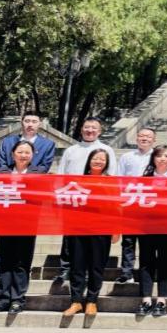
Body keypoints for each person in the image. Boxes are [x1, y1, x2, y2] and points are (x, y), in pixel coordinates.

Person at [55, 117, 117, 284]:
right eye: (87, 127)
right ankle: (66, 268)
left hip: (98, 203)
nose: (90, 130)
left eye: (94, 128)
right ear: (81, 129)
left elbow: (112, 177)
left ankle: (91, 270)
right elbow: (61, 175)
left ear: (100, 131)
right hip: (74, 199)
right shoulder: (71, 150)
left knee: (94, 240)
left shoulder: (106, 150)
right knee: (70, 238)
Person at [62, 149, 119, 317]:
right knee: (77, 265)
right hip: (78, 228)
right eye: (95, 158)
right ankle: (76, 301)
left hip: (101, 229)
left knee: (96, 266)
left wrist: (116, 229)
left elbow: (117, 207)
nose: (98, 161)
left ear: (107, 163)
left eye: (102, 159)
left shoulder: (111, 182)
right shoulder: (78, 181)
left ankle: (92, 301)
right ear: (89, 160)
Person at [0, 140, 41, 314]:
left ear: (32, 155)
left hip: (27, 224)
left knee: (22, 262)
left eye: (27, 152)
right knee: (4, 261)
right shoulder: (2, 173)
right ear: (12, 154)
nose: (23, 155)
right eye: (20, 152)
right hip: (5, 223)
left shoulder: (39, 175)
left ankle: (18, 299)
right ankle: (2, 298)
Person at [136, 145, 167, 317]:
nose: (163, 159)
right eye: (159, 155)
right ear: (153, 159)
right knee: (146, 261)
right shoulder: (143, 179)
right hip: (146, 226)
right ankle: (146, 299)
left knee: (166, 261)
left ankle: (162, 300)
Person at [118, 127, 158, 284]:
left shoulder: (158, 156)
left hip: (150, 204)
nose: (144, 139)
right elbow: (119, 179)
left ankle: (146, 273)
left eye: (148, 136)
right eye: (141, 136)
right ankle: (126, 272)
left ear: (154, 140)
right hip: (130, 202)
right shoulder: (127, 156)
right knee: (128, 240)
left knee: (148, 242)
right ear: (136, 138)